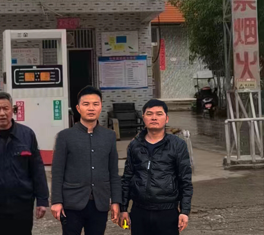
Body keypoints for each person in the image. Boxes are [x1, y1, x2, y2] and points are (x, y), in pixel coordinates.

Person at [0, 92, 49, 235]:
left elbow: (37, 169)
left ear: (13, 110)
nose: (2, 113)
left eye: (5, 108)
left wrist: (42, 200)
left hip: (22, 204)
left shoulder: (27, 135)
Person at [51, 86, 121, 235]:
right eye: (86, 104)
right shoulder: (65, 136)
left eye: (95, 104)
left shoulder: (109, 136)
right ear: (78, 108)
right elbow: (57, 172)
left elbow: (113, 172)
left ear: (101, 106)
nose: (91, 108)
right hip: (72, 203)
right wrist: (56, 201)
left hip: (99, 203)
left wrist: (116, 201)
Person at [120, 99, 193, 234]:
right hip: (139, 210)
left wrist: (184, 211)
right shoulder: (135, 145)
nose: (154, 117)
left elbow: (185, 180)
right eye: (149, 114)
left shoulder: (177, 145)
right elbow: (127, 178)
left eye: (159, 114)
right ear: (143, 117)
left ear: (166, 118)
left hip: (167, 211)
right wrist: (123, 209)